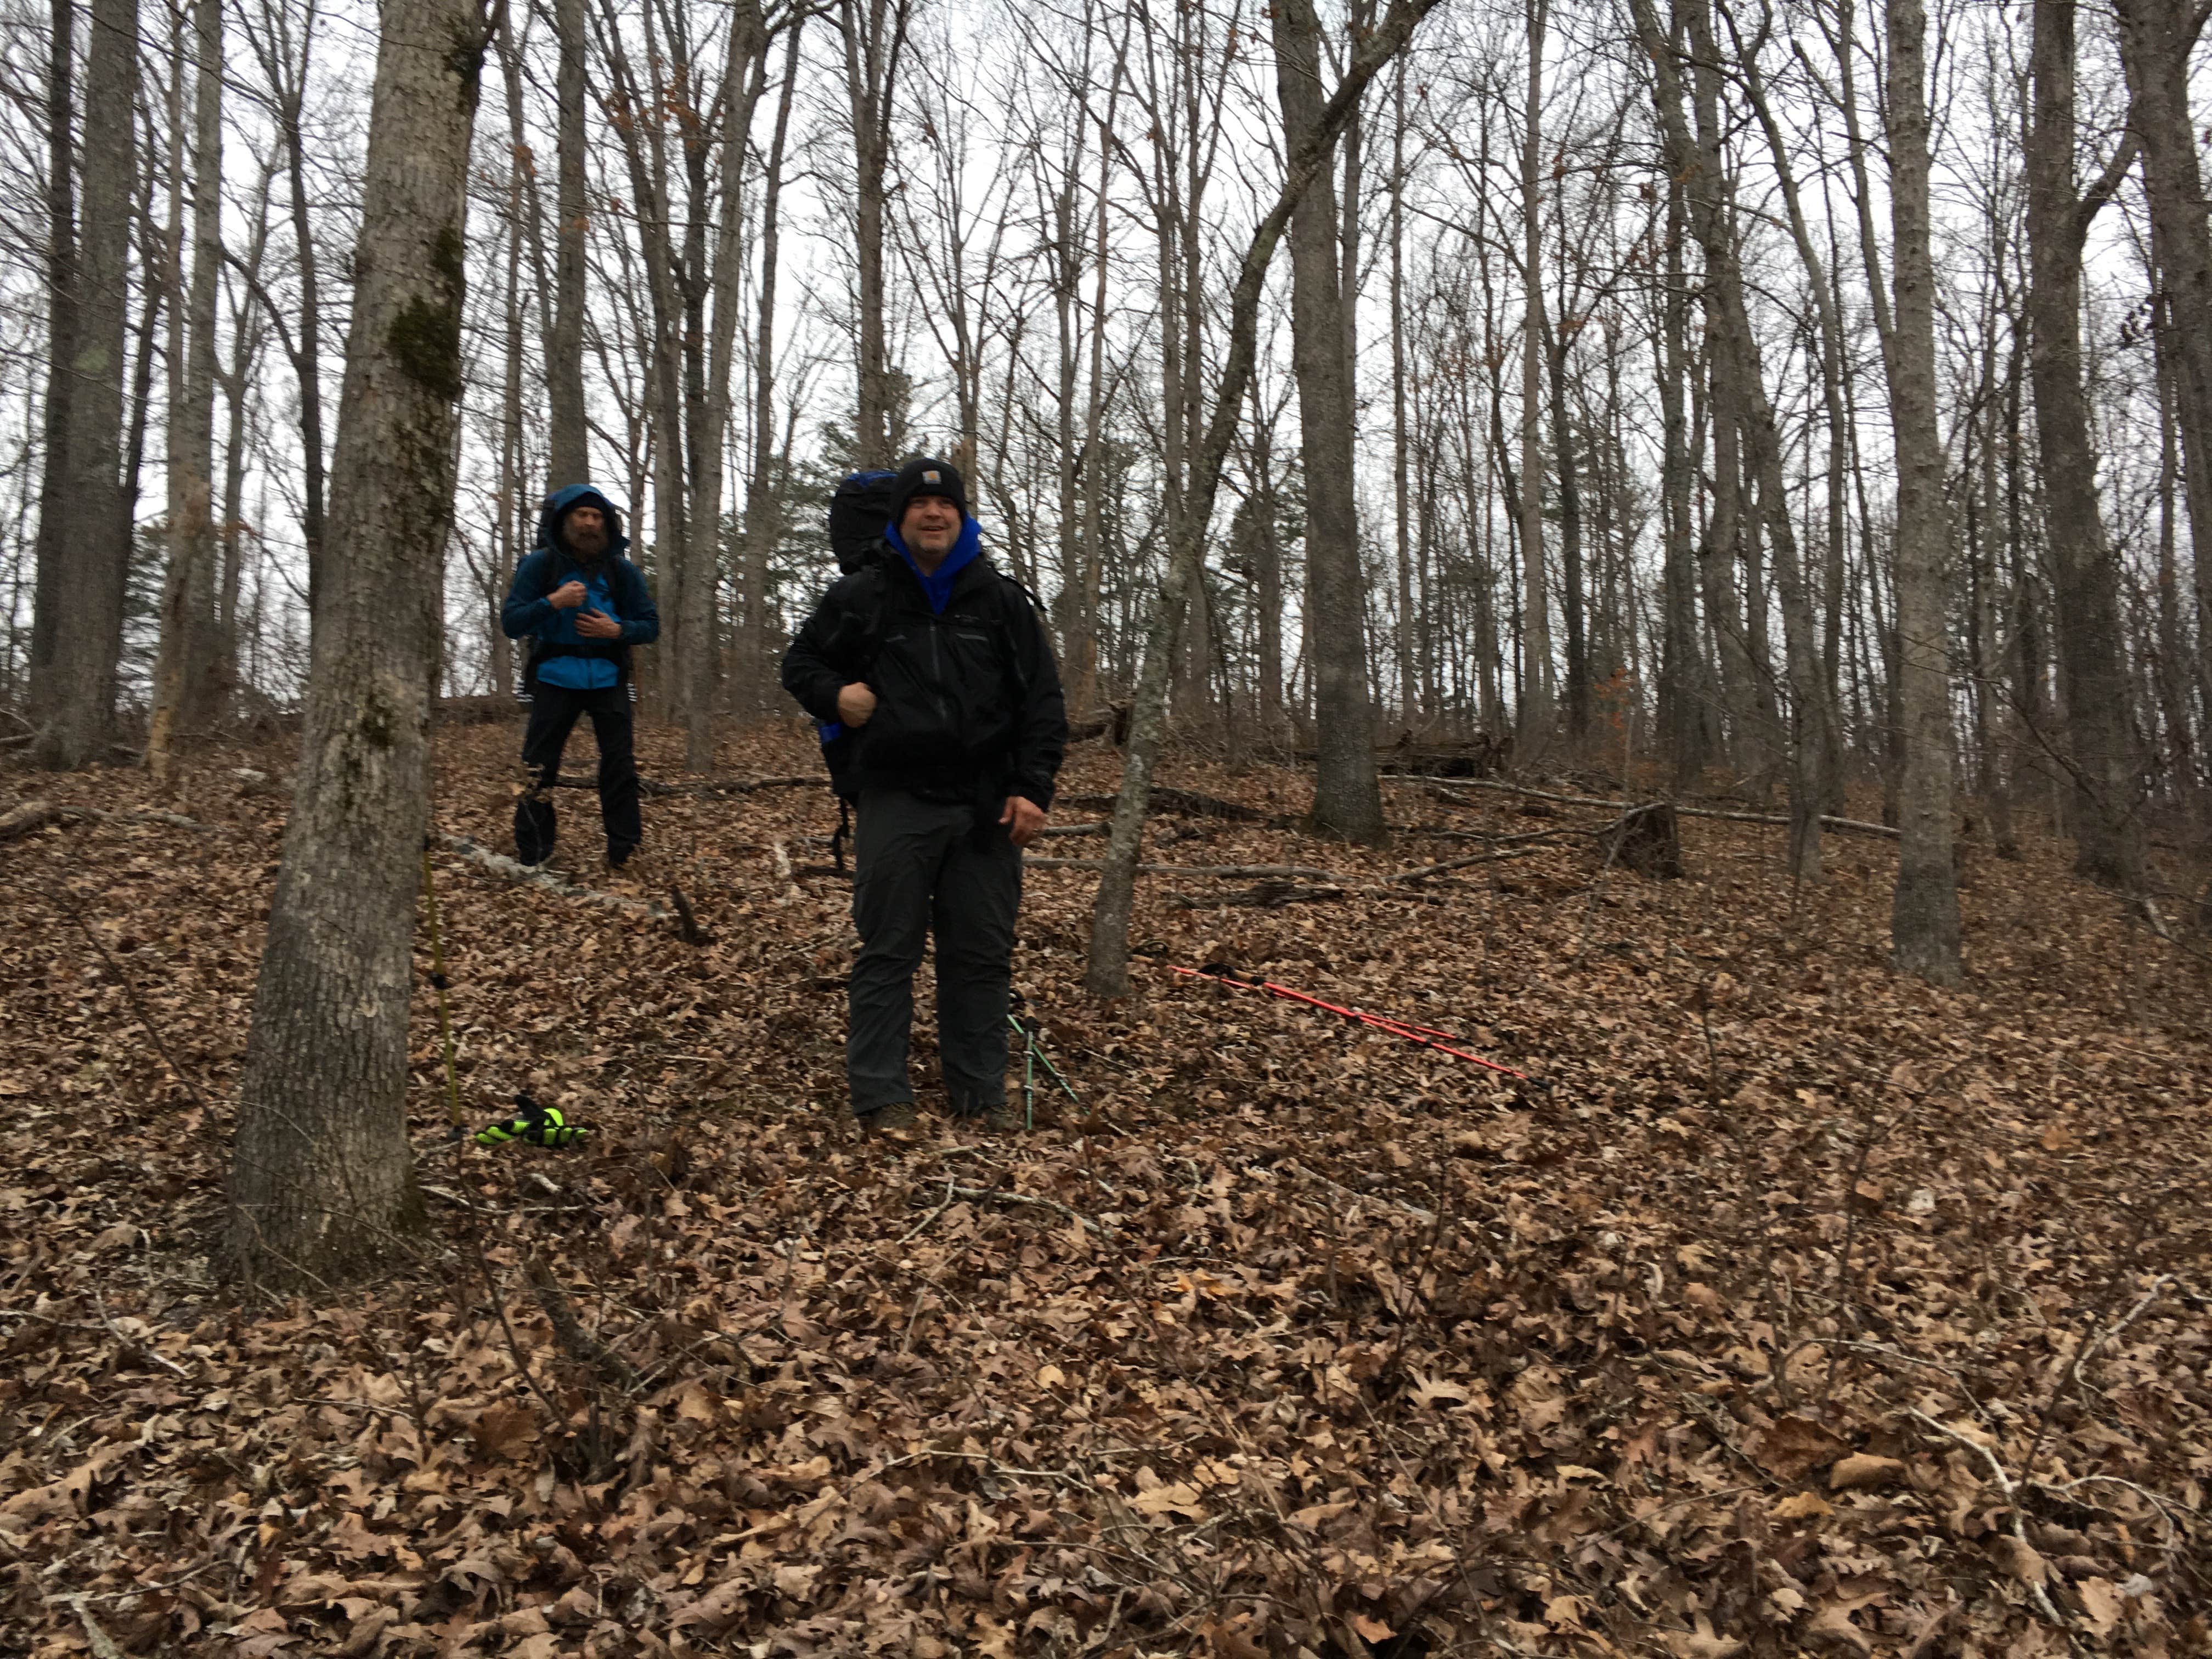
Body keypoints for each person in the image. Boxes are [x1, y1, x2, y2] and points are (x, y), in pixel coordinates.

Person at [782, 457, 1067, 1135]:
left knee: (981, 954)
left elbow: (1043, 703)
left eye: (946, 506)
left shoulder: (1001, 601)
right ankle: (882, 1097)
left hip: (988, 806)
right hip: (896, 797)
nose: (933, 514)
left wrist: (1033, 787)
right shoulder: (864, 594)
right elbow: (800, 663)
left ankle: (981, 1095)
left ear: (963, 518)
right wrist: (836, 695)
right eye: (919, 505)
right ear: (899, 517)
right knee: (888, 949)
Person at [500, 484, 660, 870]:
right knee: (538, 767)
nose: (590, 523)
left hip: (609, 676)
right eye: (582, 515)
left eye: (597, 517)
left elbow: (651, 626)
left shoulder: (622, 571)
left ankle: (626, 854)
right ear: (564, 521)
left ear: (607, 524)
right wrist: (553, 602)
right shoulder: (539, 566)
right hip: (554, 676)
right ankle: (534, 854)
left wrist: (617, 630)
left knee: (620, 766)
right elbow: (511, 622)